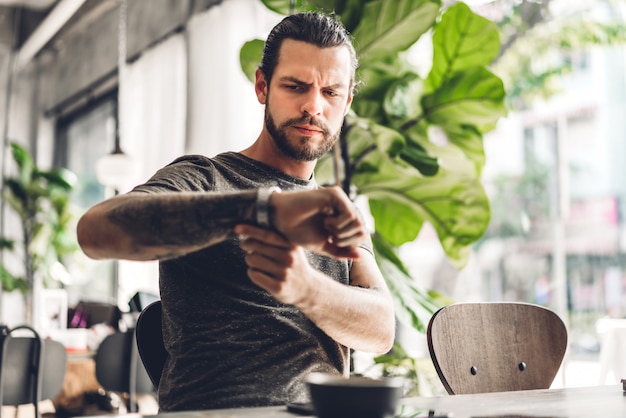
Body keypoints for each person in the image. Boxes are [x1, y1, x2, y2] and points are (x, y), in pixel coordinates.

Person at [77, 12, 395, 411]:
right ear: (263, 86)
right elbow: (95, 232)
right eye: (295, 86)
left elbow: (381, 331)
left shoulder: (335, 210)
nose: (314, 106)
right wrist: (263, 209)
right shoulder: (205, 177)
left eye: (331, 92)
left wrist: (307, 289)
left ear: (347, 101)